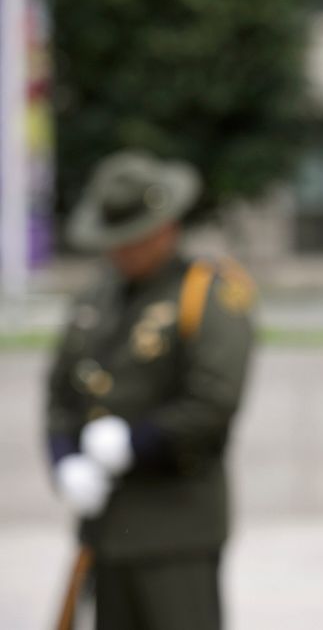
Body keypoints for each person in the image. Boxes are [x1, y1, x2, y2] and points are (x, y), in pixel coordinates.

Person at [45, 150, 256, 629]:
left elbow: (214, 400)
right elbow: (59, 393)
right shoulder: (95, 297)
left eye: (130, 239)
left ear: (163, 228)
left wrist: (137, 443)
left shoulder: (206, 292)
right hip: (106, 526)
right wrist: (63, 460)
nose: (118, 251)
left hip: (175, 527)